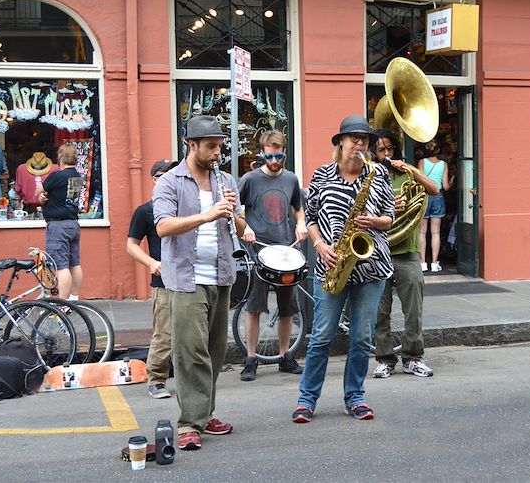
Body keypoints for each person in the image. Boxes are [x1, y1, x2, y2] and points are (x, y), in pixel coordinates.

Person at [292, 115, 395, 424]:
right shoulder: (322, 174)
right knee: (321, 336)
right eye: (353, 138)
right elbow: (309, 217)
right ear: (340, 143)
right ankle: (306, 399)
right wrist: (320, 245)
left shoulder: (379, 176)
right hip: (330, 265)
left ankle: (356, 397)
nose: (359, 143)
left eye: (365, 139)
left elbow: (389, 217)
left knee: (362, 338)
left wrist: (373, 222)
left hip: (370, 268)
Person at [153, 115, 247, 450]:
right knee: (190, 351)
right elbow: (163, 226)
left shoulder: (225, 180)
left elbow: (236, 226)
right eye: (210, 146)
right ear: (190, 145)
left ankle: (205, 415)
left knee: (215, 351)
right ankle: (189, 423)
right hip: (186, 279)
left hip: (221, 276)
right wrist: (207, 215)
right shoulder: (169, 182)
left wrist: (238, 219)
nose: (217, 152)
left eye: (219, 145)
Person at [239, 130, 307, 381]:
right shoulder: (249, 179)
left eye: (279, 155)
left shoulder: (291, 179)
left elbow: (298, 210)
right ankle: (250, 359)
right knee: (254, 308)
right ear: (262, 153)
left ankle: (284, 357)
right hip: (260, 251)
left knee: (287, 309)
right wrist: (245, 227)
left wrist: (301, 224)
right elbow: (236, 212)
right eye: (270, 156)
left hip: (286, 251)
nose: (275, 161)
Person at [372, 129, 439, 379]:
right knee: (380, 311)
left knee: (414, 308)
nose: (387, 153)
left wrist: (413, 170)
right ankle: (385, 359)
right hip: (378, 251)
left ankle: (413, 357)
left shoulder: (406, 174)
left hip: (407, 250)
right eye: (381, 149)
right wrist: (390, 205)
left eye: (390, 148)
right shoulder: (371, 176)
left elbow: (433, 190)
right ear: (373, 153)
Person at [126, 159, 178, 399]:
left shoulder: (185, 207)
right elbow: (131, 245)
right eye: (168, 174)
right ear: (156, 179)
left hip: (189, 279)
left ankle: (192, 380)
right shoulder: (145, 211)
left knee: (193, 334)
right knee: (164, 333)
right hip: (164, 282)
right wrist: (151, 263)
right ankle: (156, 379)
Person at [35, 144, 84, 300]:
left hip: (58, 226)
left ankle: (61, 305)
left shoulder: (57, 176)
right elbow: (61, 195)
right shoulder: (77, 176)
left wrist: (40, 193)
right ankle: (74, 299)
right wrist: (45, 197)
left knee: (61, 267)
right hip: (73, 224)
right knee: (74, 264)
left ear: (60, 158)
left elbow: (38, 190)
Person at [418, 141, 451, 272]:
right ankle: (434, 263)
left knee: (422, 232)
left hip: (425, 196)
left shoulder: (422, 162)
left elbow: (419, 179)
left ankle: (422, 263)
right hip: (438, 197)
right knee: (436, 232)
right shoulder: (444, 164)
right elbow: (446, 186)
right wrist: (452, 182)